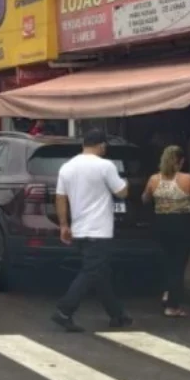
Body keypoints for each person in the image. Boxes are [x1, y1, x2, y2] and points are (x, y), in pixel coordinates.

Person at [51, 128, 132, 332]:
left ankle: (117, 314)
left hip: (79, 228)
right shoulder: (106, 166)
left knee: (101, 273)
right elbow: (121, 192)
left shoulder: (67, 167)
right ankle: (64, 310)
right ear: (102, 145)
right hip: (99, 229)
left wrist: (63, 225)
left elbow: (60, 198)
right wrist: (126, 182)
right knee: (91, 272)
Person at [141, 145, 190, 317]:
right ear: (181, 161)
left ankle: (168, 292)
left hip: (161, 223)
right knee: (179, 263)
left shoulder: (154, 179)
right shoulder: (188, 179)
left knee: (168, 260)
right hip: (183, 224)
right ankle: (172, 305)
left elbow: (145, 199)